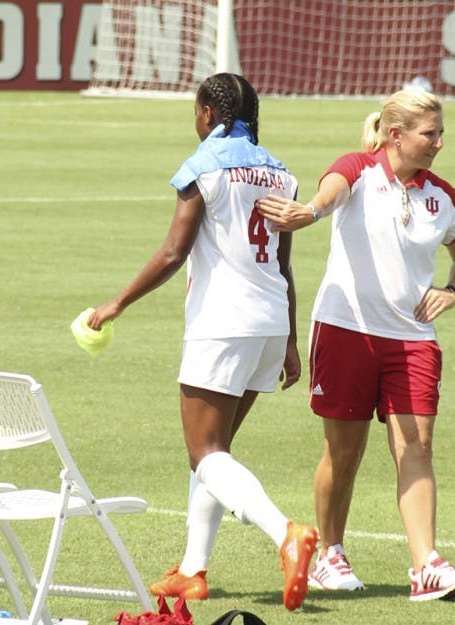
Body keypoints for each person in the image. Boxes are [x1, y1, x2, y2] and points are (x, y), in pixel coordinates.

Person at [86, 72, 318, 611]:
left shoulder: (204, 167)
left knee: (205, 452)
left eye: (196, 112)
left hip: (222, 324)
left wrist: (115, 303)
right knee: (215, 456)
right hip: (268, 326)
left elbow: (173, 253)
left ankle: (286, 532)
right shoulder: (281, 173)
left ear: (210, 115)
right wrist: (288, 342)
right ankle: (192, 570)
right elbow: (283, 264)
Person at [256, 87, 455, 601]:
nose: (439, 143)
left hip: (413, 339)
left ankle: (426, 565)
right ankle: (329, 554)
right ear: (396, 135)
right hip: (345, 330)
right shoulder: (358, 167)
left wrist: (453, 290)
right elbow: (331, 192)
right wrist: (309, 213)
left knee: (417, 446)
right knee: (345, 449)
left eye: (441, 132)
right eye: (431, 134)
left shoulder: (440, 195)